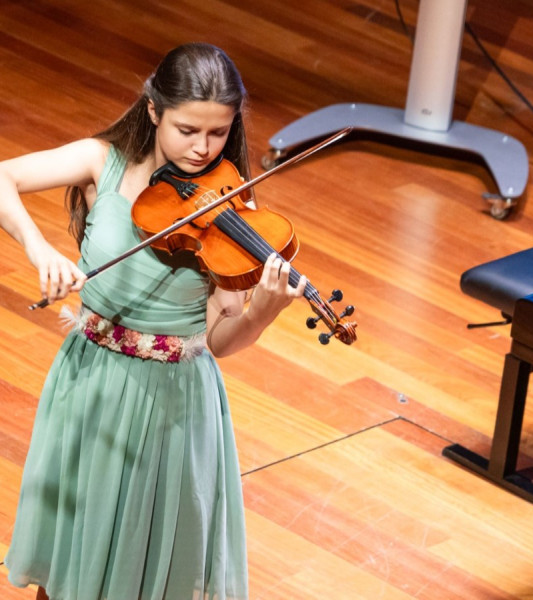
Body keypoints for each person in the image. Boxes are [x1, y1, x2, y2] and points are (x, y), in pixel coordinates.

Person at [0, 43, 306, 599]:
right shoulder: (102, 162)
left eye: (218, 133)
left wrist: (262, 312)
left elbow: (221, 338)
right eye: (188, 130)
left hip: (173, 400)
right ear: (153, 110)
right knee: (76, 542)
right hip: (90, 381)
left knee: (148, 562)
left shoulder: (235, 207)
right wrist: (40, 248)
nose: (203, 148)